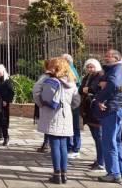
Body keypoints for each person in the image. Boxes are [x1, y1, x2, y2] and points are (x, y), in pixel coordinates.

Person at [33, 56, 80, 185]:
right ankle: (64, 175)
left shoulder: (49, 80)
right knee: (63, 145)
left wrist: (41, 104)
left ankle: (57, 175)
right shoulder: (71, 81)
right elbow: (76, 101)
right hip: (67, 115)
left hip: (53, 115)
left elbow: (36, 91)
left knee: (55, 145)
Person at [93, 49, 122, 183]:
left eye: (108, 57)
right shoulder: (113, 70)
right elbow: (99, 84)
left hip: (112, 109)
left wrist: (100, 99)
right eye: (105, 56)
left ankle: (114, 173)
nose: (105, 58)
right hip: (116, 109)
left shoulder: (117, 70)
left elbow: (113, 84)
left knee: (109, 142)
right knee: (117, 141)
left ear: (116, 58)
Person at [79, 58, 105, 171]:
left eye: (92, 67)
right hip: (88, 110)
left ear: (96, 67)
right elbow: (80, 89)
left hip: (96, 111)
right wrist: (84, 89)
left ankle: (101, 161)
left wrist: (88, 89)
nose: (90, 69)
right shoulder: (87, 77)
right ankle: (99, 159)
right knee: (95, 136)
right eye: (88, 67)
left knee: (99, 137)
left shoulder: (100, 76)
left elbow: (98, 90)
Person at [62, 53, 81, 158]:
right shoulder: (69, 70)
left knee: (74, 126)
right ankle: (71, 147)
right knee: (71, 125)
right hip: (71, 102)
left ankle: (75, 148)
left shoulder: (70, 71)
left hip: (72, 102)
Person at [34, 59, 51, 153]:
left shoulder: (46, 76)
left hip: (46, 103)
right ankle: (46, 143)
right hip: (47, 103)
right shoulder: (46, 76)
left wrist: (39, 102)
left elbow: (36, 90)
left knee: (48, 124)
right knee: (47, 124)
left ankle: (47, 144)